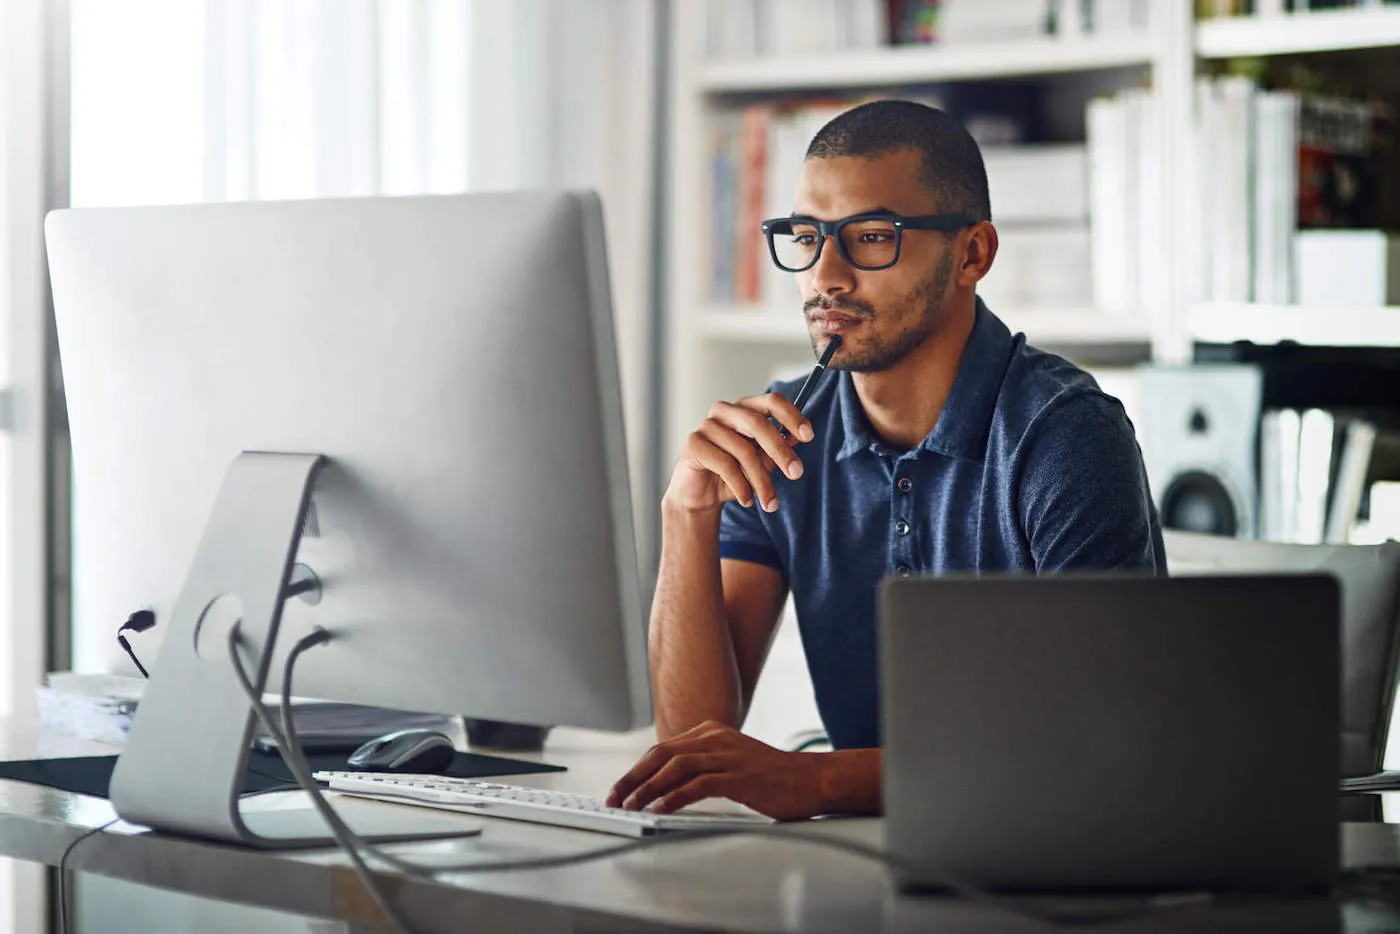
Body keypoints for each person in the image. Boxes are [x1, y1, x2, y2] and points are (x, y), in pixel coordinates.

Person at [606, 99, 1166, 822]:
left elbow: (1096, 743)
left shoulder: (1065, 437)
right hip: (864, 864)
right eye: (806, 237)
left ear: (973, 254)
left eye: (871, 236)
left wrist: (815, 782)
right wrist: (685, 513)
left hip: (1042, 864)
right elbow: (692, 745)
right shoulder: (782, 434)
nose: (825, 276)